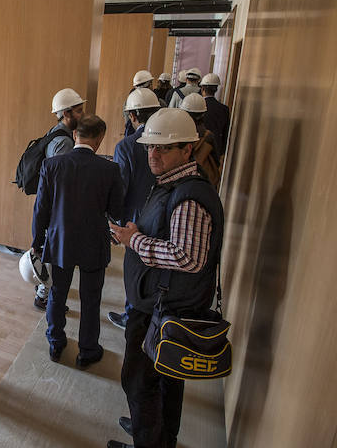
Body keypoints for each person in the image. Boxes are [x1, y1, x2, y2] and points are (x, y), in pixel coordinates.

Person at [108, 108, 224, 448]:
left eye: (163, 148)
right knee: (166, 380)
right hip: (160, 304)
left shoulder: (188, 196)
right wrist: (136, 232)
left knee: (140, 382)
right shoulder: (174, 184)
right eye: (149, 148)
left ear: (187, 150)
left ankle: (151, 439)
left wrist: (135, 241)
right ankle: (157, 436)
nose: (153, 155)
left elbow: (187, 258)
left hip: (162, 309)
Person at [31, 115, 123, 369]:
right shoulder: (110, 169)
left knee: (57, 294)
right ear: (100, 137)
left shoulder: (51, 165)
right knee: (91, 299)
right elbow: (116, 210)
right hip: (94, 242)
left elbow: (41, 210)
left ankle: (56, 343)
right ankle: (87, 350)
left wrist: (37, 241)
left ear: (75, 135)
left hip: (60, 241)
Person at [108, 88, 160, 331]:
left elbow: (120, 187)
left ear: (132, 116)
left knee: (134, 272)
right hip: (162, 217)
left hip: (134, 221)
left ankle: (132, 317)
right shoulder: (166, 142)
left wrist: (114, 223)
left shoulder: (126, 146)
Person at [30, 87, 86, 311]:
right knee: (53, 255)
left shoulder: (56, 132)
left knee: (50, 251)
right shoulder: (63, 142)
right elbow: (60, 180)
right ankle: (44, 296)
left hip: (52, 206)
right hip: (56, 208)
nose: (82, 115)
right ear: (67, 114)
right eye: (79, 111)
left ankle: (44, 291)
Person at [180, 93, 222, 189]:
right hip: (203, 182)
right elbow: (216, 161)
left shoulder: (180, 134)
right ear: (203, 113)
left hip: (183, 182)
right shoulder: (208, 135)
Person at [124, 71, 165, 137]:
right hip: (155, 136)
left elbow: (127, 121)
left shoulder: (129, 100)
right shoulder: (158, 101)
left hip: (133, 136)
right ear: (150, 84)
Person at [199, 73, 231, 157]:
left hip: (199, 148)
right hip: (216, 149)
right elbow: (226, 133)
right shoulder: (224, 109)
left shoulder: (198, 107)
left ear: (202, 88)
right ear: (216, 89)